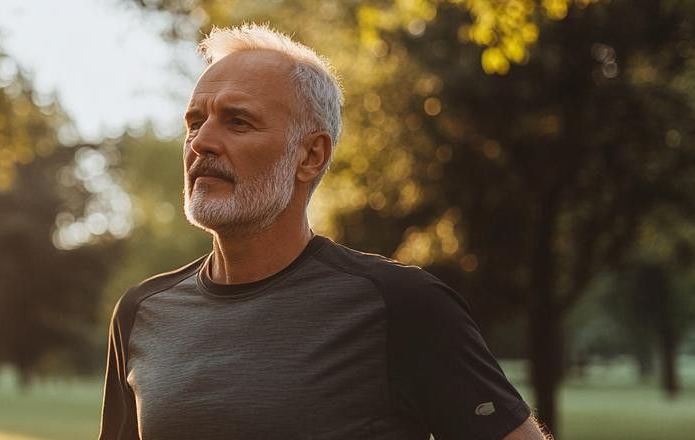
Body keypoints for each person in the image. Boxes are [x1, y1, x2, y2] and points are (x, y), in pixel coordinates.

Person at [99, 23, 549, 440]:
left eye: (238, 121)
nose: (200, 142)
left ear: (311, 155)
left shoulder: (403, 304)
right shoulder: (140, 312)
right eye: (195, 122)